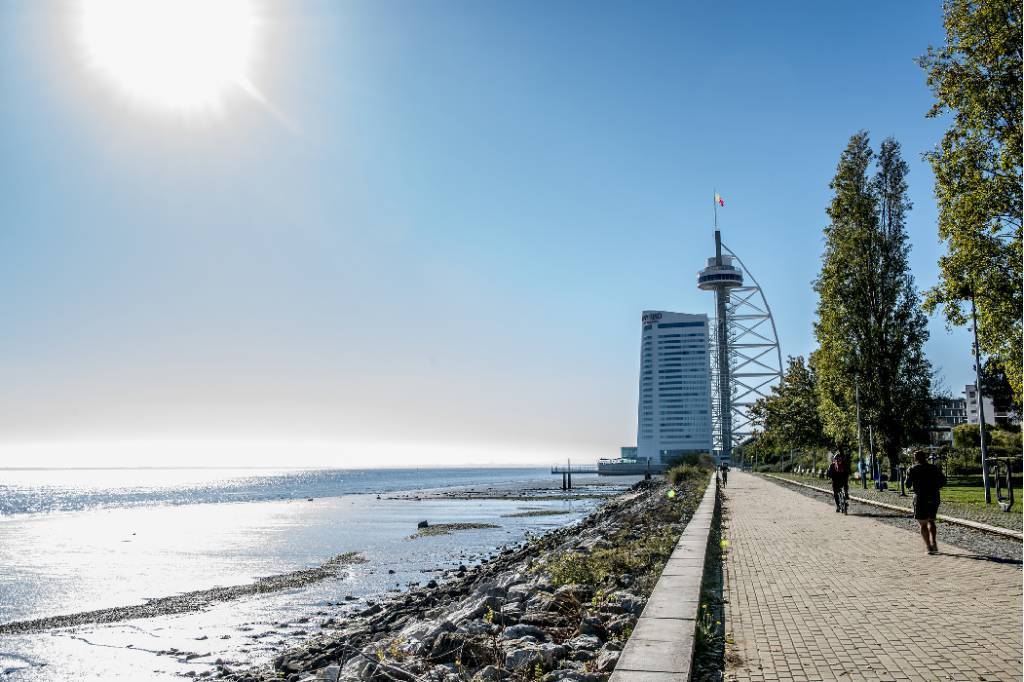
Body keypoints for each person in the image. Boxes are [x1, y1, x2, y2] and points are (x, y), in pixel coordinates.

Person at [905, 450, 947, 554]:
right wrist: (935, 487)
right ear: (925, 457)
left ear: (916, 458)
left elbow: (907, 484)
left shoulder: (912, 469)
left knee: (923, 524)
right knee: (931, 520)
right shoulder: (934, 468)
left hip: (920, 498)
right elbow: (943, 481)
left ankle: (929, 547)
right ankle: (934, 542)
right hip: (934, 496)